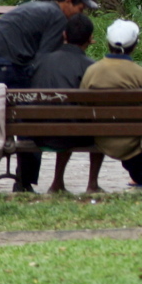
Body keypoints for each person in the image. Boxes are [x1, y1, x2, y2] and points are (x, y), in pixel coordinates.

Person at [0, 0, 98, 193]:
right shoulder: (58, 18)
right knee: (28, 119)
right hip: (5, 62)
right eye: (81, 8)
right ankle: (24, 182)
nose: (80, 13)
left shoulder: (38, 7)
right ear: (68, 2)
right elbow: (43, 61)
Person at [14, 13, 101, 194]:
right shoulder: (91, 67)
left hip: (36, 134)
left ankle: (57, 182)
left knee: (65, 120)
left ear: (64, 35)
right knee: (93, 127)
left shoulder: (41, 61)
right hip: (72, 134)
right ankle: (92, 184)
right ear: (90, 39)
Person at [81, 19, 142, 194]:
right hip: (133, 142)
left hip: (101, 138)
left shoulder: (92, 71)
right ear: (134, 46)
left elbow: (83, 104)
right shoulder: (139, 74)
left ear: (108, 44)